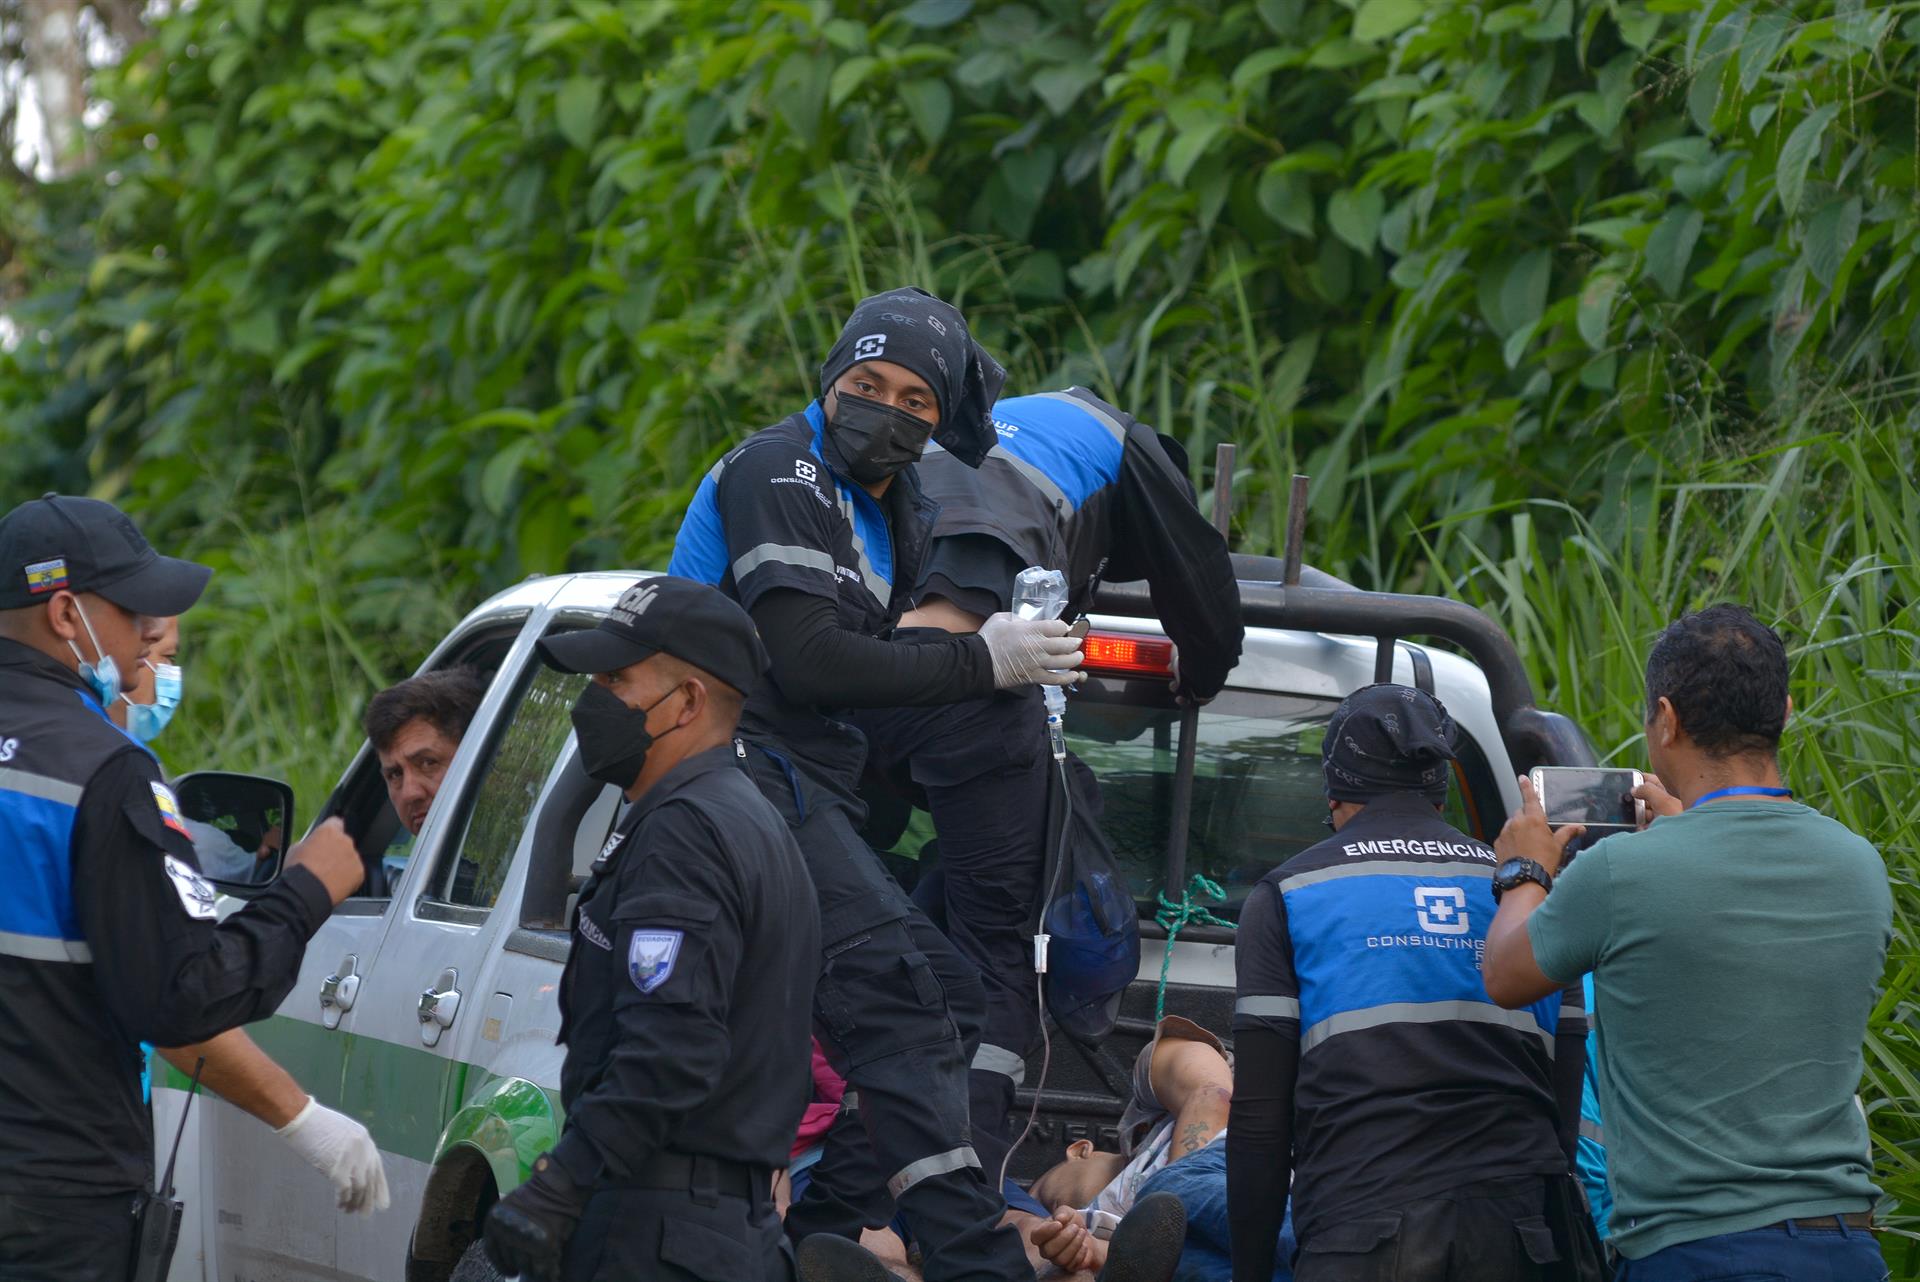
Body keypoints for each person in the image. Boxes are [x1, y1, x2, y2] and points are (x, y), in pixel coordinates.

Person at [667, 287, 1083, 1281]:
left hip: (804, 780)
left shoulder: (902, 510)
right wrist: (985, 663)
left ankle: (848, 1229)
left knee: (938, 988)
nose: (884, 407)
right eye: (864, 384)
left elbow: (867, 686)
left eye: (914, 399)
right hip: (734, 765)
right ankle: (964, 1259)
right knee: (914, 995)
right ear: (829, 379)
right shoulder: (782, 468)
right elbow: (809, 661)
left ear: (940, 417)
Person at [850, 386, 1243, 1169]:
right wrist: (1202, 670)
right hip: (966, 687)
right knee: (1001, 954)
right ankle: (965, 1187)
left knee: (858, 902)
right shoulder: (1125, 443)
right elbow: (1195, 574)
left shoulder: (977, 431)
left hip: (858, 671)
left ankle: (850, 1165)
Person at [0, 493, 365, 1281]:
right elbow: (178, 996)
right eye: (137, 613)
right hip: (51, 1196)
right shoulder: (100, 771)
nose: (148, 642)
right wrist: (304, 892)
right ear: (67, 614)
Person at [1484, 604, 1892, 1281]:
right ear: (1785, 711)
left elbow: (1504, 973)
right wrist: (1679, 835)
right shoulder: (1858, 865)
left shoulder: (1620, 872)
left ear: (1666, 720)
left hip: (1701, 1253)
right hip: (1845, 1247)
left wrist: (1525, 869)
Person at [482, 576, 820, 1282]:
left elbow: (671, 1049)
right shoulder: (748, 821)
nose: (593, 700)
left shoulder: (684, 834)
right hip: (720, 1229)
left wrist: (561, 1182)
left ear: (688, 702)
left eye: (616, 678)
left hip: (657, 1233)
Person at [1229, 683, 1588, 1282]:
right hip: (1519, 1238)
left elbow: (1261, 1124)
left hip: (1361, 1234)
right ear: (1439, 790)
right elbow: (1564, 1113)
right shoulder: (1533, 896)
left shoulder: (1290, 894)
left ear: (1335, 790)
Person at [112, 615, 390, 1216]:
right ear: (73, 624)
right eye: (153, 648)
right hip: (60, 1160)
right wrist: (305, 1121)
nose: (156, 669)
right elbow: (177, 996)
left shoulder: (66, 767)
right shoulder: (115, 784)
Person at [1024, 1015, 1276, 1281]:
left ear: (1079, 1151)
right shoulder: (1104, 1233)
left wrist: (1172, 1201)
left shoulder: (1147, 1120)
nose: (1058, 1216)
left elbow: (1210, 1092)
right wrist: (1085, 1253)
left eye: (1051, 1201)